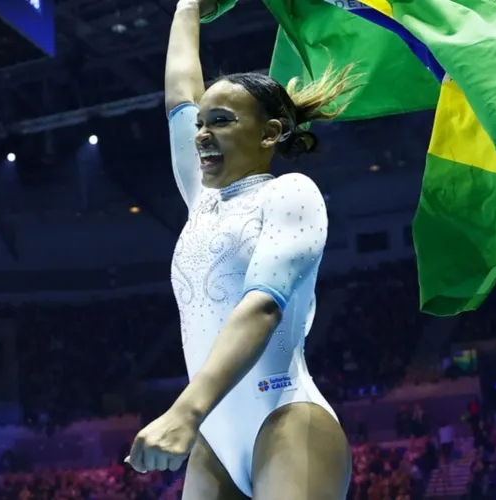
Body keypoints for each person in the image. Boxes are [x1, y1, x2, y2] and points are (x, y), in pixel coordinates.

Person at [123, 0, 359, 498]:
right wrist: (188, 8)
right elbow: (179, 96)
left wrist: (184, 410)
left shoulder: (290, 193)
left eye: (222, 121)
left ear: (270, 133)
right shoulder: (201, 201)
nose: (202, 134)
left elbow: (263, 307)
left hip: (288, 420)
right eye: (202, 123)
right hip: (215, 438)